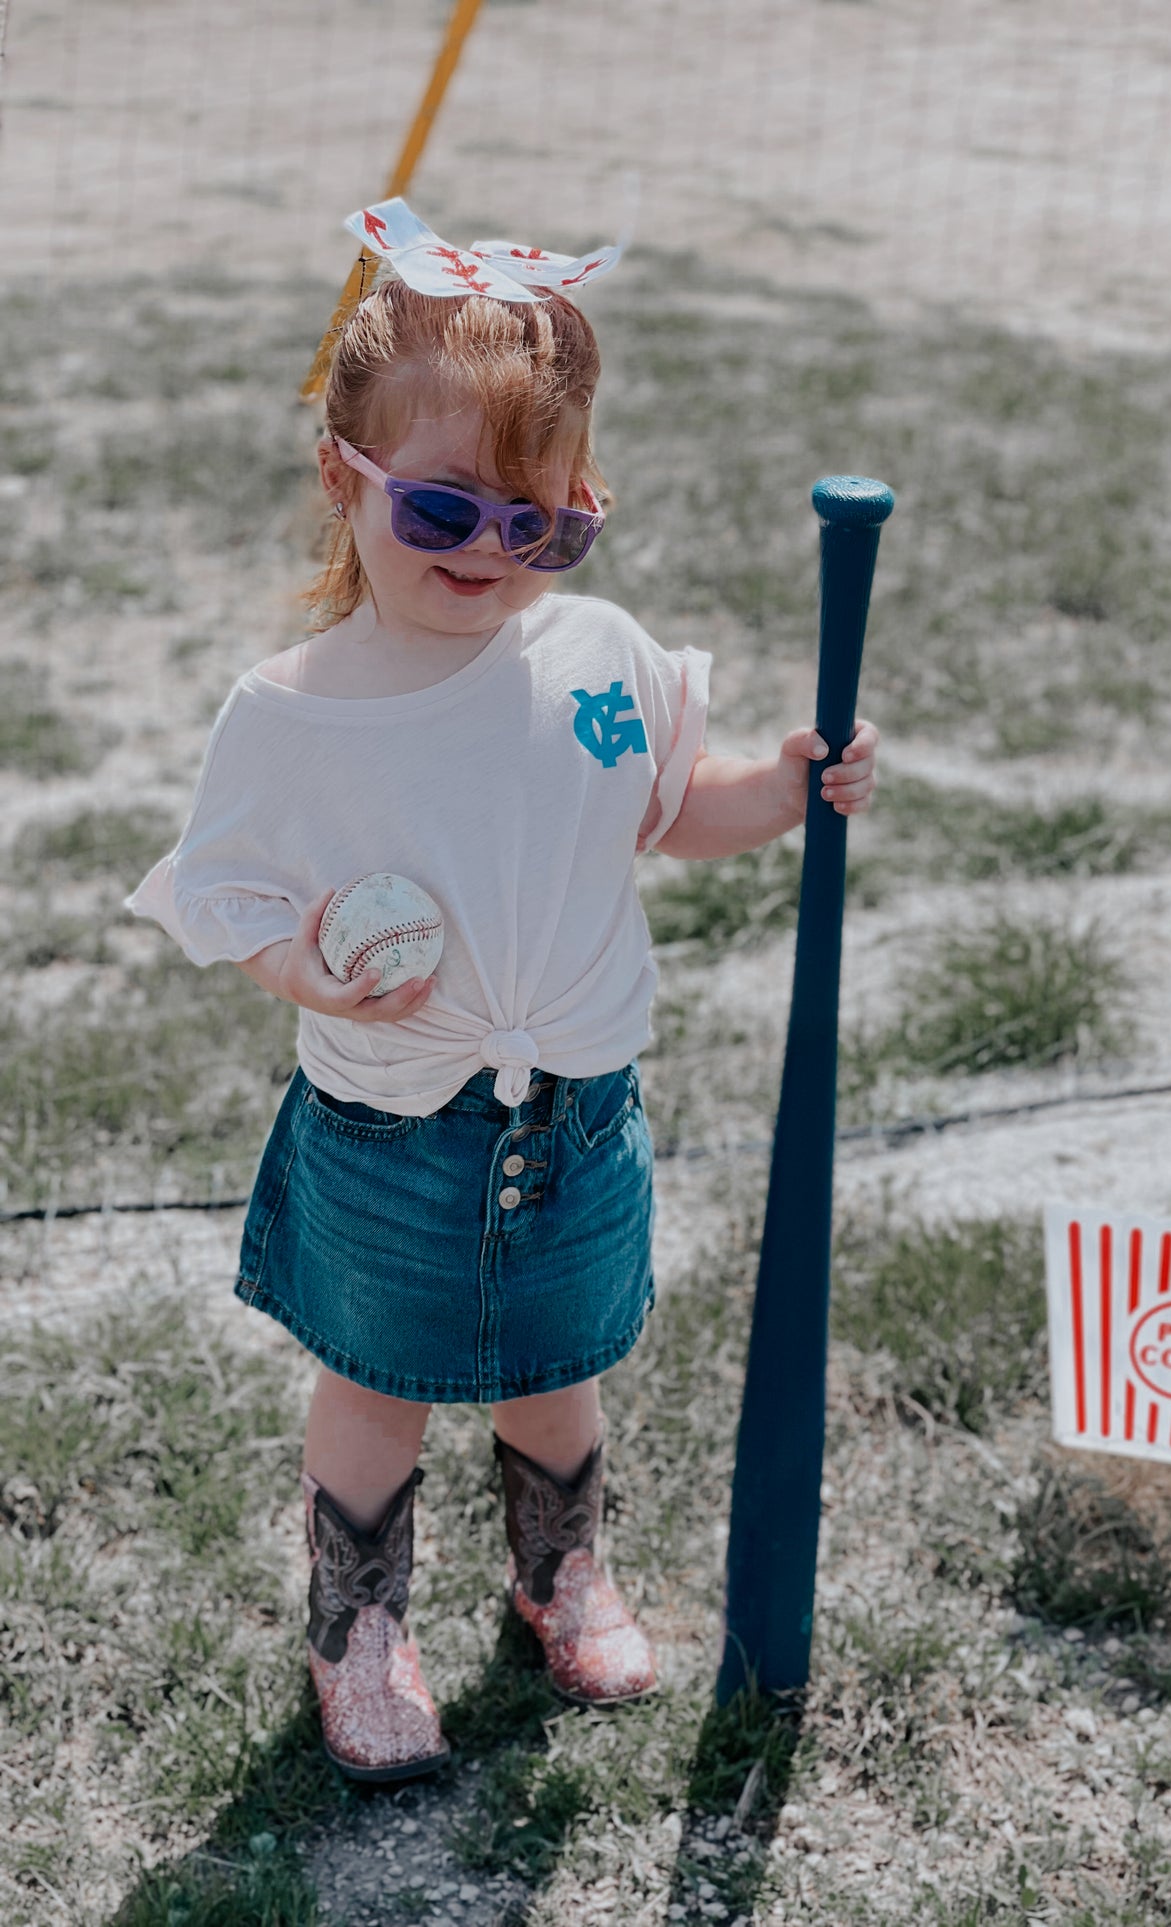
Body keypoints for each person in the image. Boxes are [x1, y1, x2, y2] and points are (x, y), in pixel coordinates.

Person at [125, 203, 880, 1784]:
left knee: (555, 1368)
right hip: (391, 1129)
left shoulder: (596, 657)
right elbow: (230, 890)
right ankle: (364, 1625)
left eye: (538, 525)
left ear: (582, 510)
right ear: (347, 478)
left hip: (580, 1111)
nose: (489, 553)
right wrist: (300, 964)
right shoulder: (294, 710)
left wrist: (790, 783)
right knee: (378, 1387)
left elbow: (671, 809)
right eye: (445, 510)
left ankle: (560, 1571)